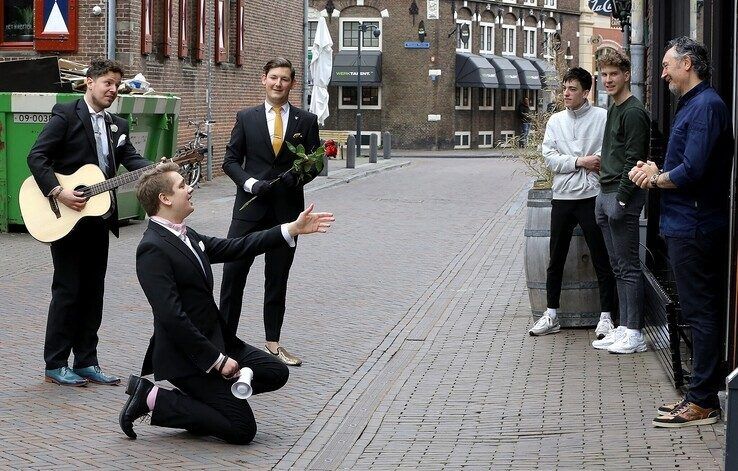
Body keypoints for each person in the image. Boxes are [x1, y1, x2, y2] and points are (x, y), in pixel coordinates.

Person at [119, 162, 334, 443]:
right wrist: (217, 362)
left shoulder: (186, 234)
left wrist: (291, 229)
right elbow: (172, 317)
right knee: (241, 429)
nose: (190, 188)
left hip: (219, 340)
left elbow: (235, 247)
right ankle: (152, 397)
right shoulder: (152, 248)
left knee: (275, 372)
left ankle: (204, 402)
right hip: (189, 357)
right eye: (182, 185)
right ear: (165, 199)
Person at [628, 37, 732, 428]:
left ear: (688, 64)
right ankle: (698, 395)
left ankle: (704, 400)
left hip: (695, 225)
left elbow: (693, 171)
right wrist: (655, 168)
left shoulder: (706, 107)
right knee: (695, 310)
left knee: (701, 313)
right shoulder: (695, 105)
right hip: (686, 223)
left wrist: (656, 179)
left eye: (668, 64)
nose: (662, 72)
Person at [27, 59, 151, 387]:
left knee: (93, 292)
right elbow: (36, 156)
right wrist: (58, 191)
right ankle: (55, 363)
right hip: (66, 218)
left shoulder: (118, 125)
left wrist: (159, 168)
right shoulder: (66, 114)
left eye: (116, 85)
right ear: (89, 82)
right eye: (107, 83)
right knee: (68, 290)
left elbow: (131, 160)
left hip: (99, 219)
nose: (113, 90)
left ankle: (86, 361)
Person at [220, 57, 320, 366]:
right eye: (273, 78)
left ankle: (273, 343)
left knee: (277, 277)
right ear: (264, 79)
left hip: (286, 212)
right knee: (233, 275)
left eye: (285, 79)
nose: (278, 84)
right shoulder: (246, 118)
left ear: (292, 83)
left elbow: (314, 162)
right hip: (249, 211)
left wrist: (296, 177)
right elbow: (230, 160)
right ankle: (224, 343)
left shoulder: (306, 120)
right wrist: (250, 184)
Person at [528, 67, 616, 339]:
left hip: (591, 197)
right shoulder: (555, 121)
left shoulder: (602, 117)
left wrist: (590, 162)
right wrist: (580, 161)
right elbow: (550, 159)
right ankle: (551, 313)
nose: (565, 93)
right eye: (564, 88)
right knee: (556, 259)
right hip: (563, 198)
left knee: (601, 258)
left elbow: (606, 154)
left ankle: (606, 317)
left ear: (586, 92)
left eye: (572, 89)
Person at [590, 49, 650, 355]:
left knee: (628, 267)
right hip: (606, 193)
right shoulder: (614, 107)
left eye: (614, 74)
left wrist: (623, 201)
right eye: (604, 75)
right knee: (617, 266)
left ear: (627, 75)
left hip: (620, 196)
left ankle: (635, 332)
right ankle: (624, 327)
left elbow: (635, 160)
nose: (609, 79)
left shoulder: (633, 111)